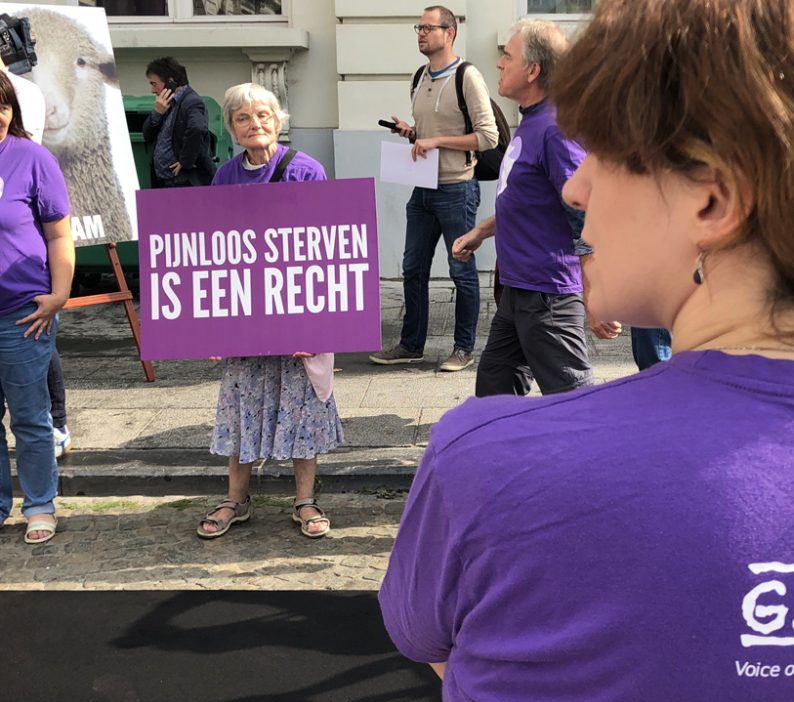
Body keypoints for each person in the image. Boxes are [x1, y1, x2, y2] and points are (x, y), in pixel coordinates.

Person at [379, 0, 794, 702]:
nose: (577, 189)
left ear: (714, 197)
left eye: (601, 151)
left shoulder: (485, 461)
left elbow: (451, 660)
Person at [196, 82, 344, 540]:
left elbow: (323, 251)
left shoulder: (306, 170)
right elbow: (215, 254)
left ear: (278, 121)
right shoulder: (225, 176)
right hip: (245, 316)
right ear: (232, 129)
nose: (254, 124)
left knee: (302, 409)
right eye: (243, 118)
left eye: (262, 115)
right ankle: (235, 500)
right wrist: (214, 329)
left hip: (296, 313)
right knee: (242, 407)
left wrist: (316, 326)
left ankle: (304, 500)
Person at [452, 20, 593, 396]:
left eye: (507, 56)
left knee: (572, 405)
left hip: (548, 297)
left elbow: (584, 211)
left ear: (533, 70)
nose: (499, 64)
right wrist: (483, 230)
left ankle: (591, 456)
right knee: (494, 394)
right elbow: (532, 200)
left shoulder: (556, 129)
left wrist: (595, 290)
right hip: (518, 291)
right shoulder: (532, 121)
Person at [369, 5, 499, 372]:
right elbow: (429, 134)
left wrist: (436, 141)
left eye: (429, 28)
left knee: (460, 271)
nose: (421, 34)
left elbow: (487, 136)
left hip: (457, 190)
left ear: (450, 33)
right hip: (422, 189)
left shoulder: (466, 76)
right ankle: (411, 345)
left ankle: (463, 348)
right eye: (419, 28)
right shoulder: (419, 76)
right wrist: (412, 133)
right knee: (412, 268)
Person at [0, 71, 74, 544]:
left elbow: (58, 235)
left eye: (3, 106)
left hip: (22, 314)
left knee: (30, 416)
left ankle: (40, 504)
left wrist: (60, 294)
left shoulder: (31, 158)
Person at [142, 57, 216, 189]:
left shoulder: (192, 102)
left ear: (171, 82)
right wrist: (157, 113)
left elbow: (197, 128)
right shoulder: (166, 104)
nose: (153, 91)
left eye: (154, 84)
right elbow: (147, 135)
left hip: (184, 181)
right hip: (164, 181)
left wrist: (185, 161)